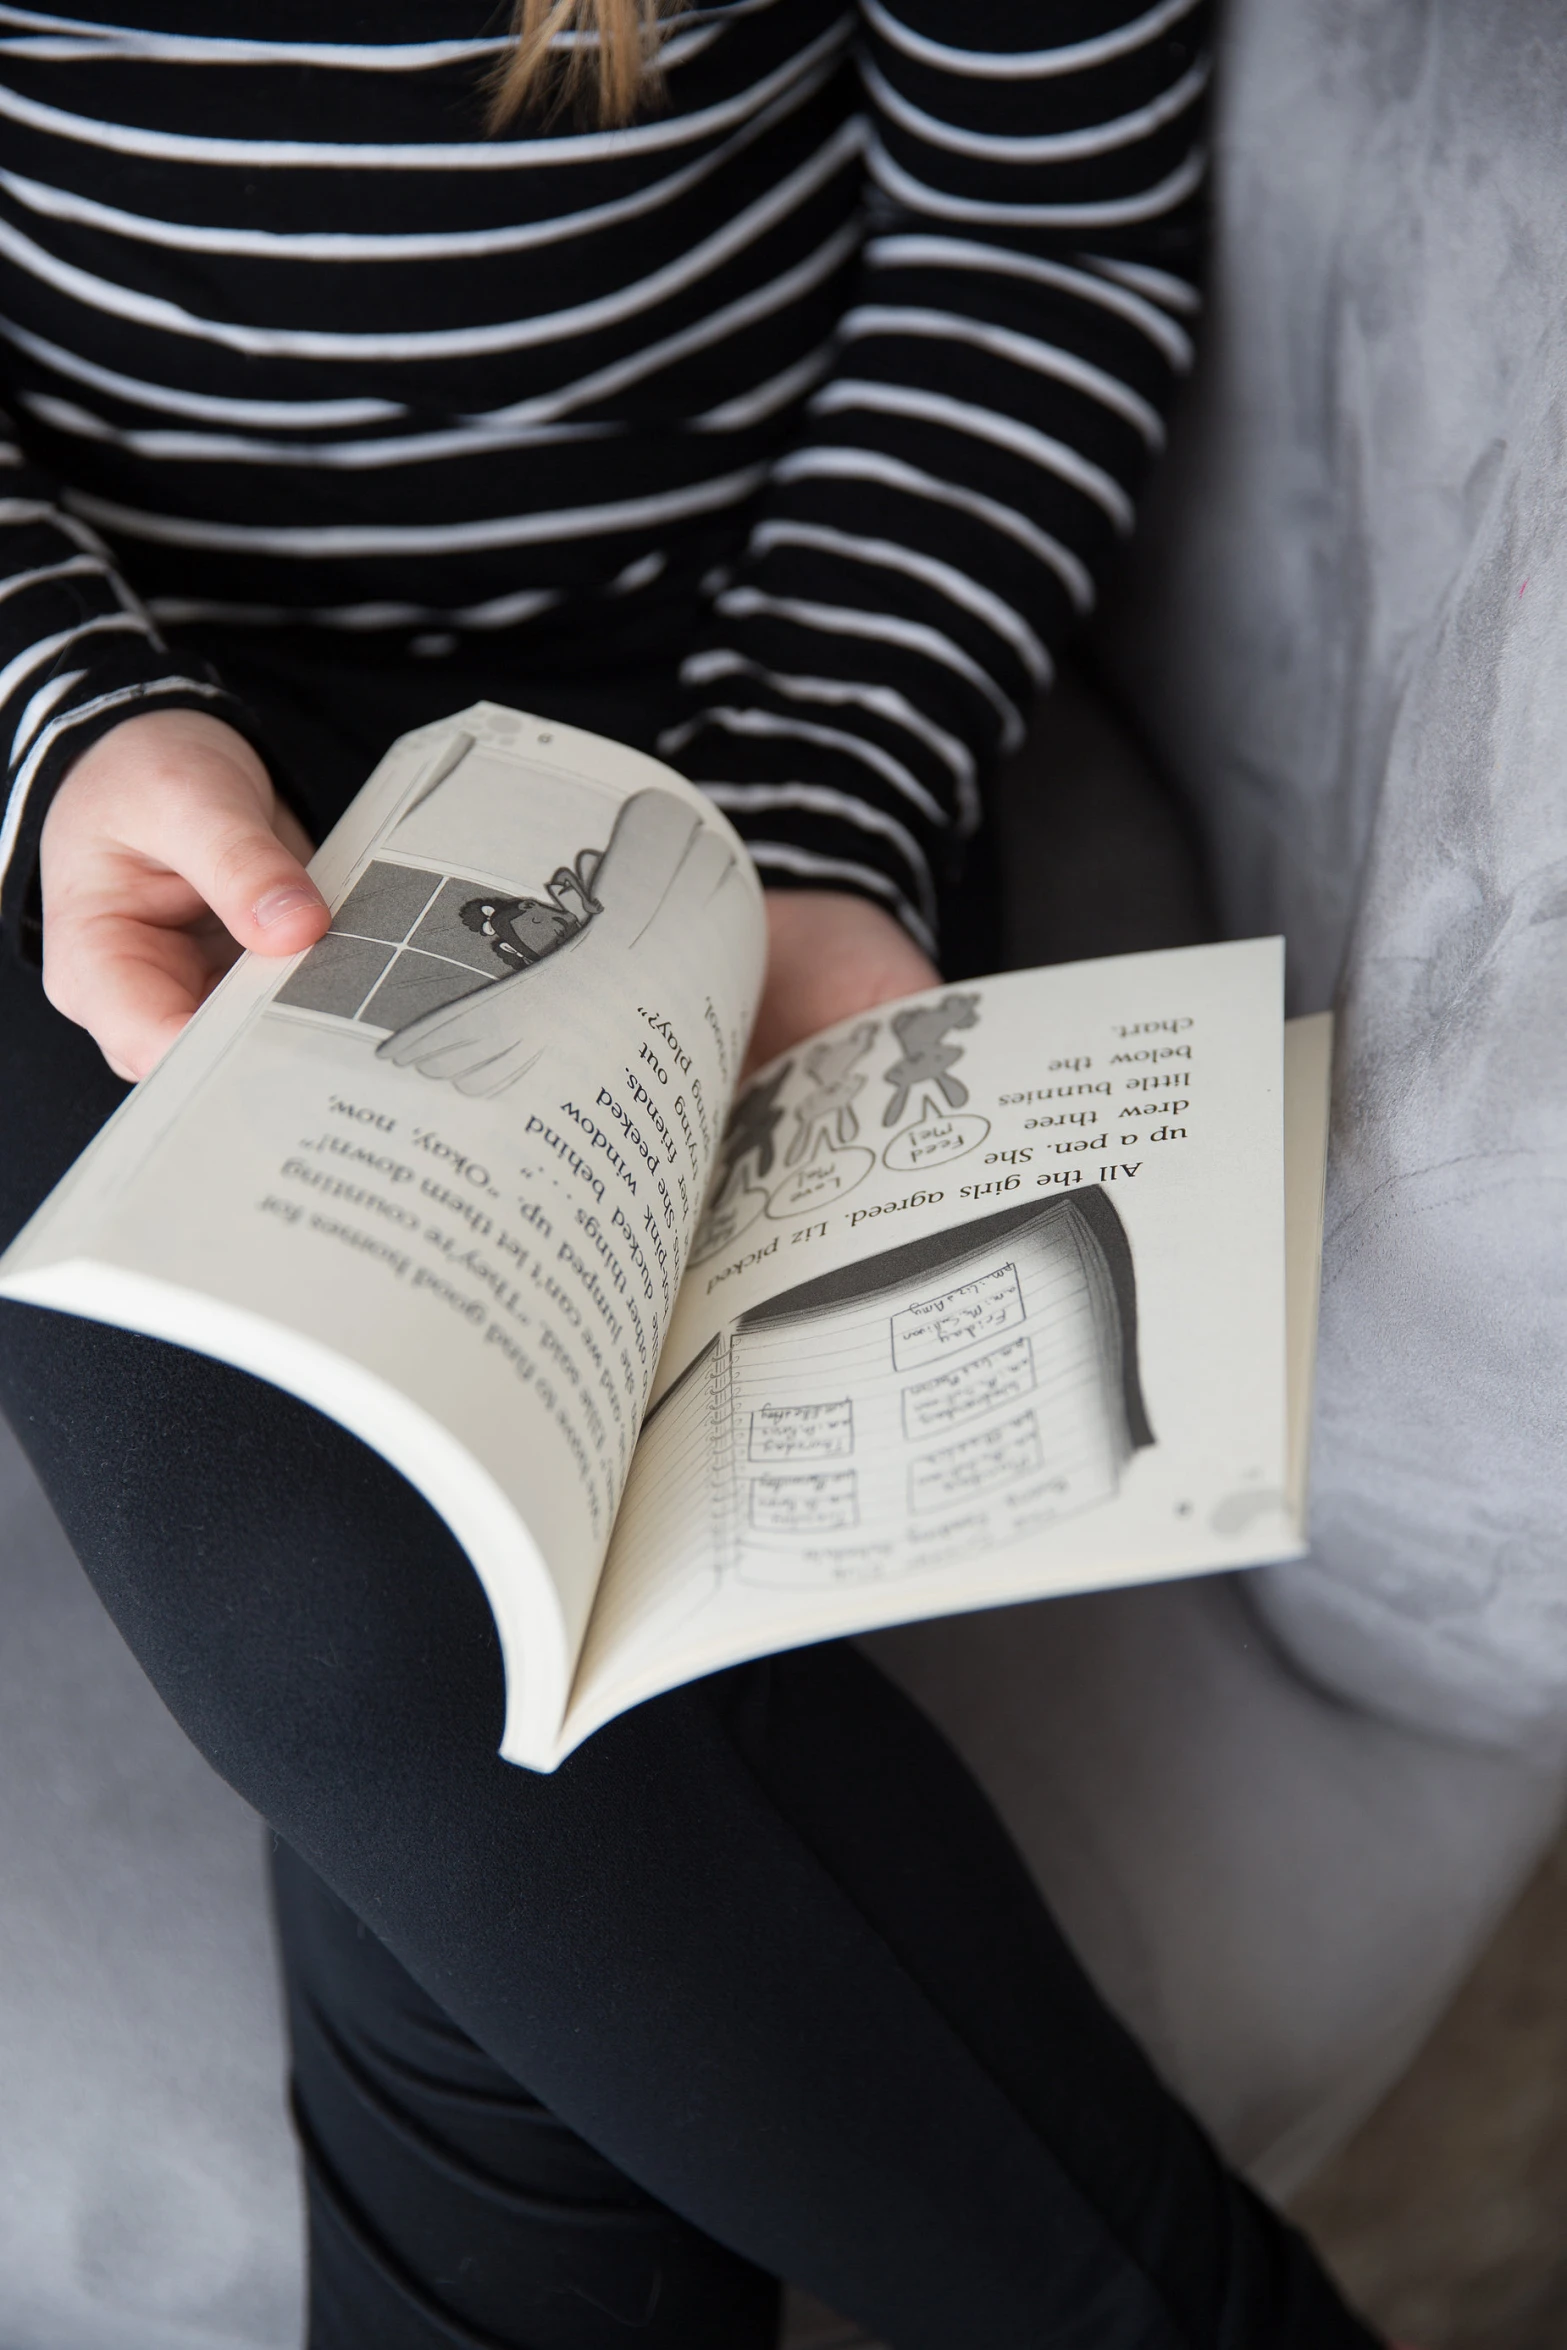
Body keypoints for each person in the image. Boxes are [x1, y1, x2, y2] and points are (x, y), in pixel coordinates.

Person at [0, 4, 1390, 2343]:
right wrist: (57, 713)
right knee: (369, 1608)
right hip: (100, 765)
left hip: (733, 731)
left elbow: (1032, 226)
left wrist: (824, 819)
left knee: (500, 1687)